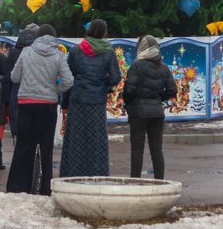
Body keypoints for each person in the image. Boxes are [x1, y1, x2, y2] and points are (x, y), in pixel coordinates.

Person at [6, 24, 74, 195]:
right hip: (48, 106)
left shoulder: (26, 52)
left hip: (26, 104)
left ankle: (17, 186)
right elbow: (68, 81)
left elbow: (14, 76)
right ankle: (44, 189)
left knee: (23, 146)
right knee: (46, 148)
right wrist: (54, 90)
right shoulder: (58, 55)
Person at [60, 19, 121, 178]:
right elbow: (115, 78)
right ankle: (97, 173)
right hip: (96, 102)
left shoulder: (76, 51)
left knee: (76, 138)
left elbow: (68, 78)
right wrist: (103, 86)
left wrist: (64, 103)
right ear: (103, 33)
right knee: (96, 139)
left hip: (78, 100)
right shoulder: (108, 52)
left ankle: (73, 174)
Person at [122, 34, 177, 180]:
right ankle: (160, 182)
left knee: (137, 150)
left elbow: (129, 90)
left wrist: (129, 103)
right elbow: (173, 91)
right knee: (157, 150)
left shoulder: (136, 66)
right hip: (157, 114)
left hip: (138, 114)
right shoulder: (163, 67)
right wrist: (158, 98)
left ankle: (135, 181)